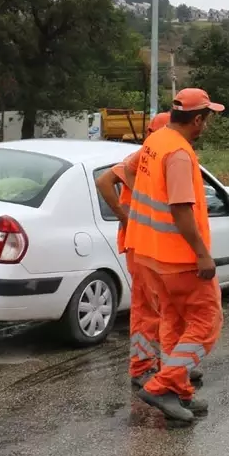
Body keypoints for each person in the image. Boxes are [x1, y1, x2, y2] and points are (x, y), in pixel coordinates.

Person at [126, 88, 227, 423]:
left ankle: (178, 391)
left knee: (174, 323)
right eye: (207, 118)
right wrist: (202, 255)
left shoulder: (155, 143)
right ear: (198, 119)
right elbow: (181, 209)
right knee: (206, 323)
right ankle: (161, 385)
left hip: (148, 254)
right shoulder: (180, 154)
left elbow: (126, 178)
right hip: (178, 259)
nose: (207, 125)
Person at [96, 111, 177, 390]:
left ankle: (166, 365)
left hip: (154, 245)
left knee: (164, 308)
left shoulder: (160, 156)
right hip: (141, 245)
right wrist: (124, 217)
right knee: (146, 310)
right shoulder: (144, 156)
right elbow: (104, 182)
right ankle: (142, 367)